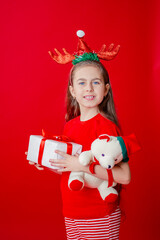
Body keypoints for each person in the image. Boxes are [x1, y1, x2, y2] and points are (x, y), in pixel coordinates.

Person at [27, 31, 131, 240]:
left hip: (99, 214)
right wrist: (45, 161)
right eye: (82, 83)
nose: (89, 88)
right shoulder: (70, 125)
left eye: (96, 82)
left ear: (106, 89)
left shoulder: (107, 128)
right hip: (72, 212)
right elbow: (72, 166)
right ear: (72, 90)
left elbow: (125, 176)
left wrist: (81, 166)